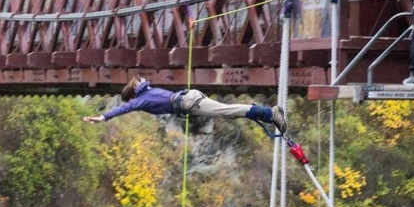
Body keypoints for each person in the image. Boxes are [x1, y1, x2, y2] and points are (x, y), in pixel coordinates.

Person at [83, 76, 287, 133]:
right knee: (228, 114)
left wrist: (103, 117)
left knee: (227, 111)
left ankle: (270, 114)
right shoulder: (148, 90)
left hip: (187, 102)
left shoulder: (140, 99)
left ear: (131, 94)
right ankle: (269, 114)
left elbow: (123, 108)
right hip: (189, 98)